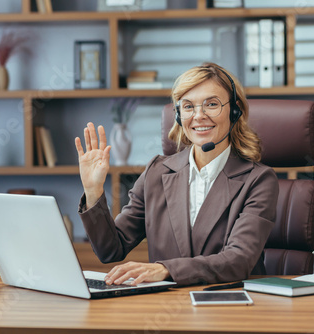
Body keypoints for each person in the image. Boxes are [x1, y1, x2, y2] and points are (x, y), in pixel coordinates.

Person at [75, 62, 278, 287]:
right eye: (188, 106)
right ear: (179, 115)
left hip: (229, 305)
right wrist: (93, 191)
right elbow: (110, 250)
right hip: (166, 310)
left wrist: (165, 269)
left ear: (235, 110)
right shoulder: (156, 172)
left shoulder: (258, 180)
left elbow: (238, 260)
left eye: (211, 104)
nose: (199, 116)